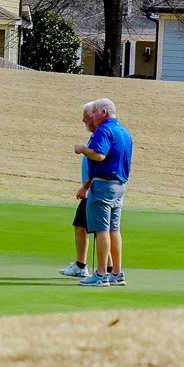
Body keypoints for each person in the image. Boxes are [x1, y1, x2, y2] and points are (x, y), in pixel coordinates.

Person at [72, 98, 132, 287]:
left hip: (104, 185)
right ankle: (116, 273)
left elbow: (99, 154)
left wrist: (82, 149)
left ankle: (100, 274)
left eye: (94, 113)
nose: (92, 117)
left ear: (104, 113)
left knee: (102, 230)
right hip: (119, 185)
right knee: (114, 230)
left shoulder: (104, 130)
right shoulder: (124, 132)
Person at [59, 147, 93, 278]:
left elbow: (100, 164)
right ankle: (81, 265)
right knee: (80, 226)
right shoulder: (97, 136)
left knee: (102, 231)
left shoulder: (103, 135)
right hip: (91, 192)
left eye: (89, 123)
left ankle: (109, 270)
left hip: (94, 192)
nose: (87, 124)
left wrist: (86, 187)